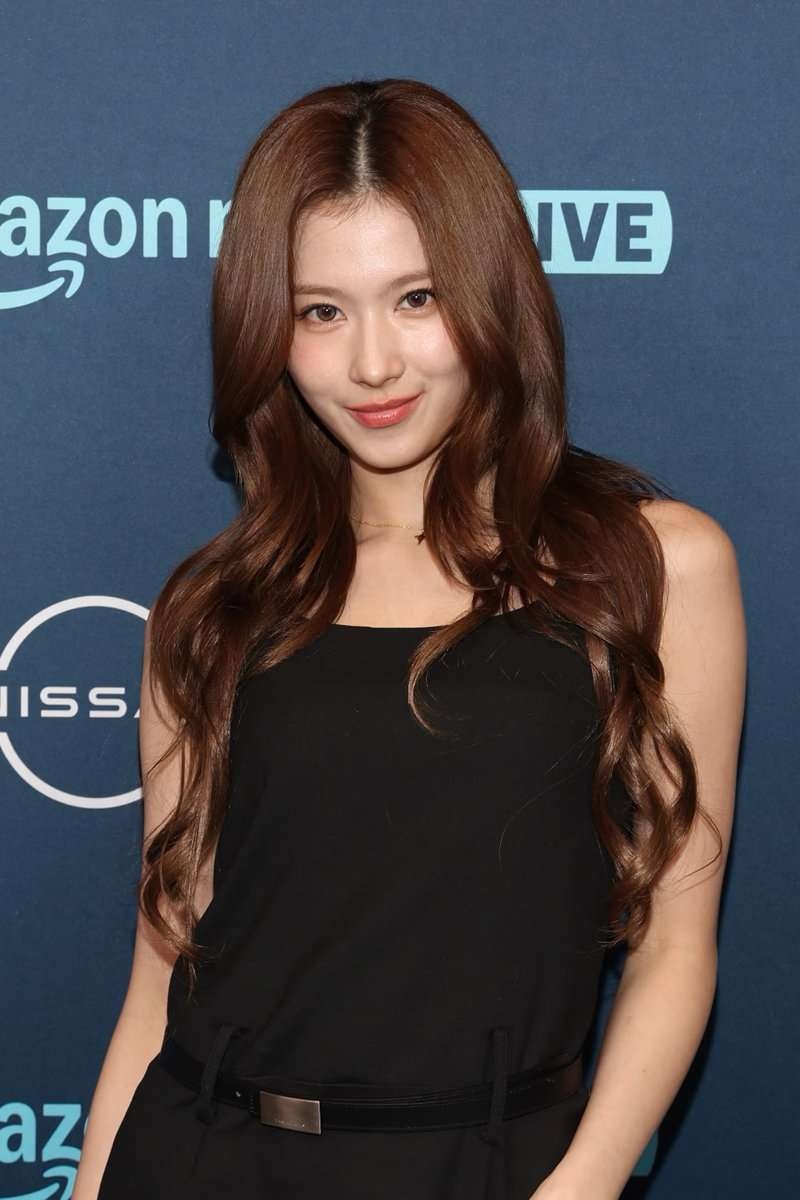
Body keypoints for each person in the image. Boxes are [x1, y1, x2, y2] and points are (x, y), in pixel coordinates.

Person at [75, 78, 746, 1200]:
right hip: (197, 1156)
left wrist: (579, 1186)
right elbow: (161, 976)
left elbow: (676, 949)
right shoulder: (211, 607)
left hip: (492, 1164)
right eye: (320, 312)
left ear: (491, 293)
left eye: (417, 298)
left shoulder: (651, 567)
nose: (373, 364)